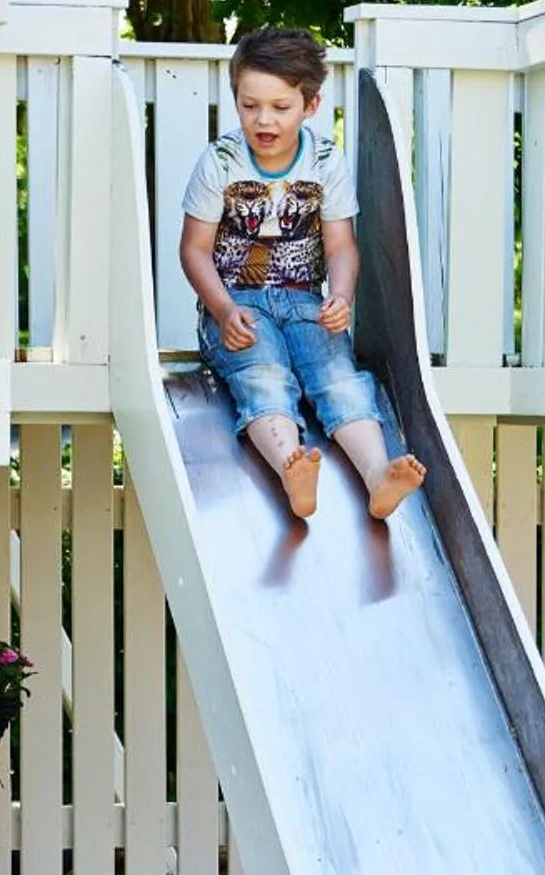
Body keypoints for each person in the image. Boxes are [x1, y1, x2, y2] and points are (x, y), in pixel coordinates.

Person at [179, 27, 427, 522]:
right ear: (236, 101)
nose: (263, 119)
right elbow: (194, 250)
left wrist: (341, 295)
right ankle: (291, 466)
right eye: (250, 106)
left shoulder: (325, 161)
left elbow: (342, 246)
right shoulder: (221, 161)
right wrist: (223, 309)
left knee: (338, 376)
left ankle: (378, 475)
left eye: (279, 107)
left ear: (310, 105)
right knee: (264, 373)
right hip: (238, 304)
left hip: (304, 301)